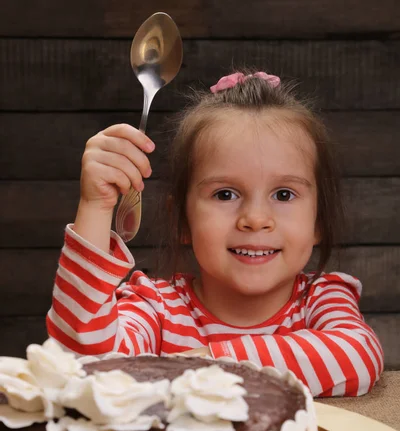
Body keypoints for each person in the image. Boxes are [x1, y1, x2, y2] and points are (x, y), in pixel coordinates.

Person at [47, 70, 384, 397]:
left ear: (318, 222)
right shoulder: (158, 309)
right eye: (225, 194)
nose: (255, 219)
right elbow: (84, 365)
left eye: (283, 194)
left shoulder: (320, 299)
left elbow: (359, 355)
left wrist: (204, 366)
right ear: (182, 221)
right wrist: (96, 205)